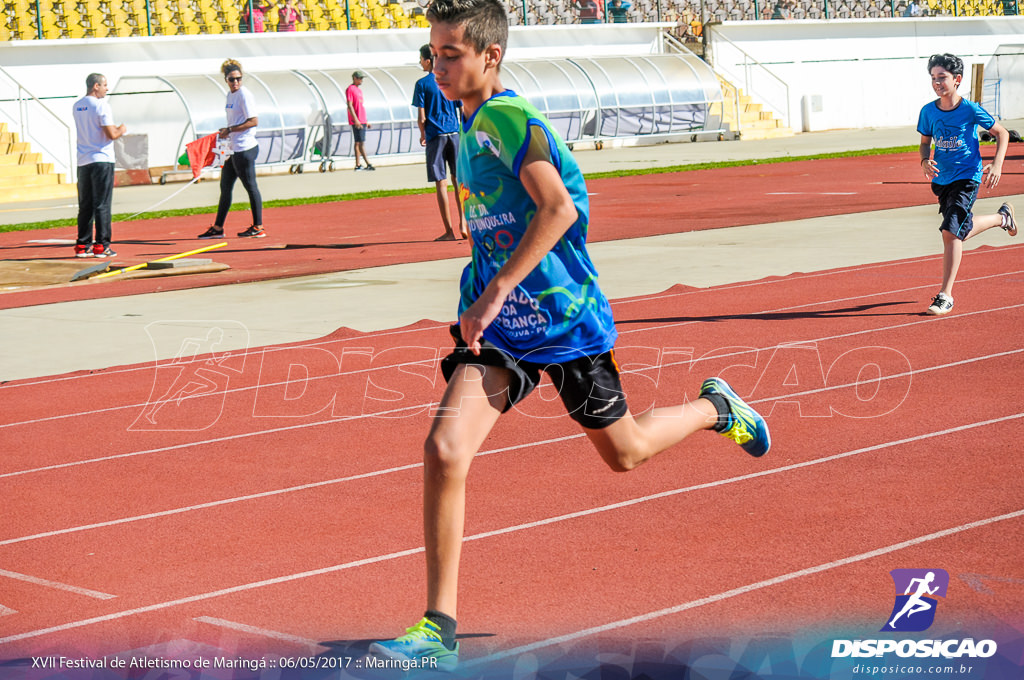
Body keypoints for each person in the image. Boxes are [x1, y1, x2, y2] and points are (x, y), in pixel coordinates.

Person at [367, 0, 771, 670]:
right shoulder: (466, 122)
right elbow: (499, 223)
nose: (435, 65)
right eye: (431, 52)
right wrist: (483, 288)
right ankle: (438, 629)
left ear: (489, 57)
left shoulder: (504, 117)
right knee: (444, 449)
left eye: (449, 54)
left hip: (564, 322)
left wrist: (497, 289)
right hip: (504, 333)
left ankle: (715, 408)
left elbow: (557, 208)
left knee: (627, 453)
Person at [917, 53, 1016, 315]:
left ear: (957, 79)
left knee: (950, 232)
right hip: (942, 180)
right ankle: (1001, 218)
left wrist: (997, 164)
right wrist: (925, 159)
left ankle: (945, 295)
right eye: (933, 78)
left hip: (967, 177)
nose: (937, 83)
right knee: (958, 231)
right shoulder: (928, 111)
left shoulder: (969, 109)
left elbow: (1002, 133)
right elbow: (926, 141)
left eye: (942, 78)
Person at [198, 59, 266, 239]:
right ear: (226, 80)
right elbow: (234, 121)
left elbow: (253, 121)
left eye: (238, 78)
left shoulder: (244, 95)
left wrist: (230, 130)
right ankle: (218, 228)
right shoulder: (230, 96)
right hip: (233, 148)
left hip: (245, 148)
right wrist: (227, 133)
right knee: (225, 186)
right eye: (231, 79)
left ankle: (258, 226)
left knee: (250, 186)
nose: (235, 82)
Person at [413, 43, 467, 241]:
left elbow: (421, 117)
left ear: (428, 60)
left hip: (436, 134)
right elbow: (462, 109)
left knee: (441, 182)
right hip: (454, 132)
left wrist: (422, 133)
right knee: (458, 180)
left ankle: (448, 230)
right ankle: (464, 223)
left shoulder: (422, 84)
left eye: (420, 59)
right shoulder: (450, 79)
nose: (420, 62)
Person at [72, 72, 126, 258]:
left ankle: (82, 244)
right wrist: (122, 129)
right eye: (104, 85)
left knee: (85, 204)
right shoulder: (101, 105)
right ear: (96, 86)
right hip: (101, 158)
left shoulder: (77, 105)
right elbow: (111, 134)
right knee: (102, 204)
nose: (106, 88)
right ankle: (102, 245)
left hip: (83, 160)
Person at [347, 70, 374, 171]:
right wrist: (356, 120)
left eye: (362, 78)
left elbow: (361, 106)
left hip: (362, 120)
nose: (361, 80)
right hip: (356, 120)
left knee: (360, 141)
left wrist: (365, 121)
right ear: (355, 78)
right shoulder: (350, 89)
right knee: (359, 142)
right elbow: (350, 105)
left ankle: (363, 163)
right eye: (359, 78)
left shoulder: (359, 91)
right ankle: (362, 163)